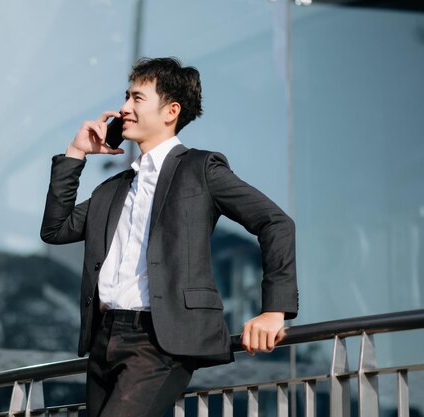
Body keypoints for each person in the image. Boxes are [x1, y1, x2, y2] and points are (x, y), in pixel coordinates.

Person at [40, 57, 298, 417]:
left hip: (161, 340)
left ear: (170, 111)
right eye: (126, 97)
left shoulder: (201, 169)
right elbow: (55, 229)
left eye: (137, 98)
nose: (124, 108)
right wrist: (75, 153)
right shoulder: (113, 189)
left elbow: (275, 222)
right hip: (105, 339)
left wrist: (274, 310)